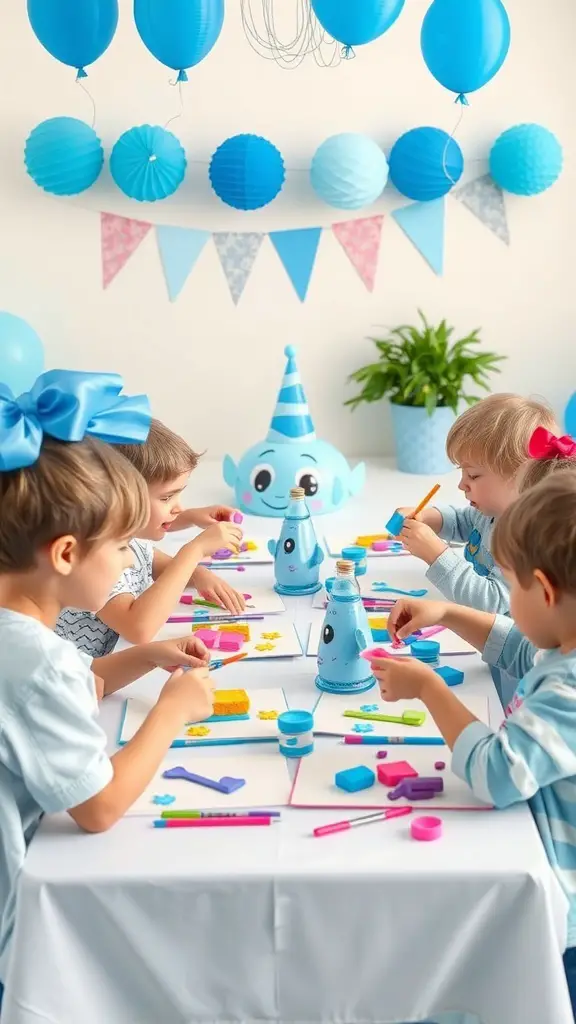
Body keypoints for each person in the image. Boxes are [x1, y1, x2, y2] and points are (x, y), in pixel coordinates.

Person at [0, 371, 214, 1004]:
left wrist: (142, 657)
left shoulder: (24, 644)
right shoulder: (42, 660)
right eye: (123, 547)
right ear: (65, 553)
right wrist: (173, 711)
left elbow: (57, 697)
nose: (131, 561)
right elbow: (97, 809)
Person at [372, 473, 576, 1019]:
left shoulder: (570, 691)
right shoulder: (566, 652)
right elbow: (519, 649)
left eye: (511, 588)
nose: (508, 601)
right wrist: (450, 613)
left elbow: (498, 773)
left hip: (565, 915)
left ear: (547, 590)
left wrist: (429, 690)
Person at [56, 418, 245, 657]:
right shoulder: (95, 559)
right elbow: (139, 629)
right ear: (119, 499)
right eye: (167, 498)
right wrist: (194, 551)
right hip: (84, 682)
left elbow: (152, 558)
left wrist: (198, 572)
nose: (177, 507)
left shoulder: (123, 536)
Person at [394, 393, 558, 613]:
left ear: (522, 478)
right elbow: (465, 522)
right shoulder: (493, 512)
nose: (462, 484)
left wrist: (436, 555)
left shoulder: (528, 539)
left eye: (473, 475)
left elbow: (493, 602)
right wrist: (426, 516)